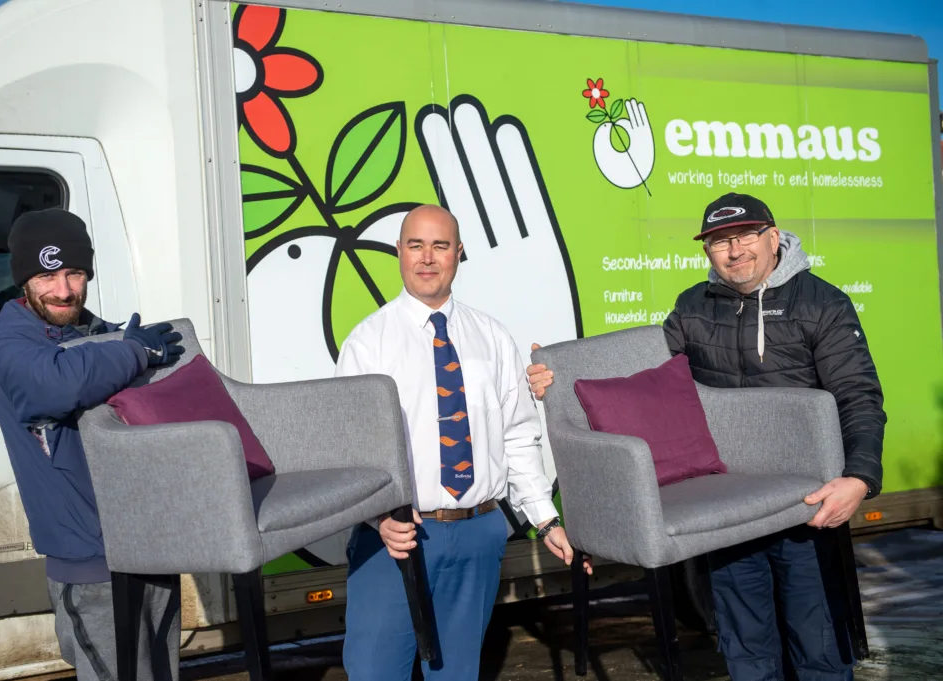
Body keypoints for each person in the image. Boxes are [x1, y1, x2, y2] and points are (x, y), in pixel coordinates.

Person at [527, 192, 886, 681]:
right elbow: (638, 374)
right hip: (728, 500)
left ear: (773, 238)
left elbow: (858, 395)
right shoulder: (693, 306)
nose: (734, 251)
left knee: (817, 635)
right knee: (745, 642)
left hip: (805, 499)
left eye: (744, 237)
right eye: (720, 242)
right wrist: (557, 376)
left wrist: (860, 478)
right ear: (707, 252)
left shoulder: (822, 303)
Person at [335, 204, 589, 680]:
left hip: (478, 533)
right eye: (415, 245)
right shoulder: (367, 344)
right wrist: (375, 517)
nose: (427, 258)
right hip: (396, 539)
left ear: (458, 254)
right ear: (398, 252)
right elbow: (350, 452)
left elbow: (517, 435)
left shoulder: (491, 336)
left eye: (440, 245)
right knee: (376, 672)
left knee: (455, 674)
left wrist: (545, 518)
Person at [0, 208, 185, 681]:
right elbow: (54, 386)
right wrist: (133, 351)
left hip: (149, 546)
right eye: (47, 275)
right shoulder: (9, 342)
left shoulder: (92, 330)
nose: (64, 289)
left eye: (74, 273)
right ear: (23, 280)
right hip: (89, 563)